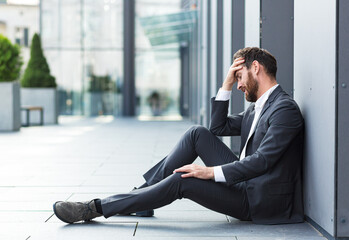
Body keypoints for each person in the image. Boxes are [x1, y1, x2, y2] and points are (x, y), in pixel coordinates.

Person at [53, 47, 304, 225]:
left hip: (259, 200)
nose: (239, 85)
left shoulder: (284, 109)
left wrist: (209, 172)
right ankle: (143, 196)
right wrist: (225, 84)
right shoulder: (258, 108)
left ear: (256, 68)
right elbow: (216, 128)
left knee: (182, 179)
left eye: (239, 77)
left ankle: (95, 208)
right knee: (196, 133)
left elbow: (263, 161)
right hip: (245, 183)